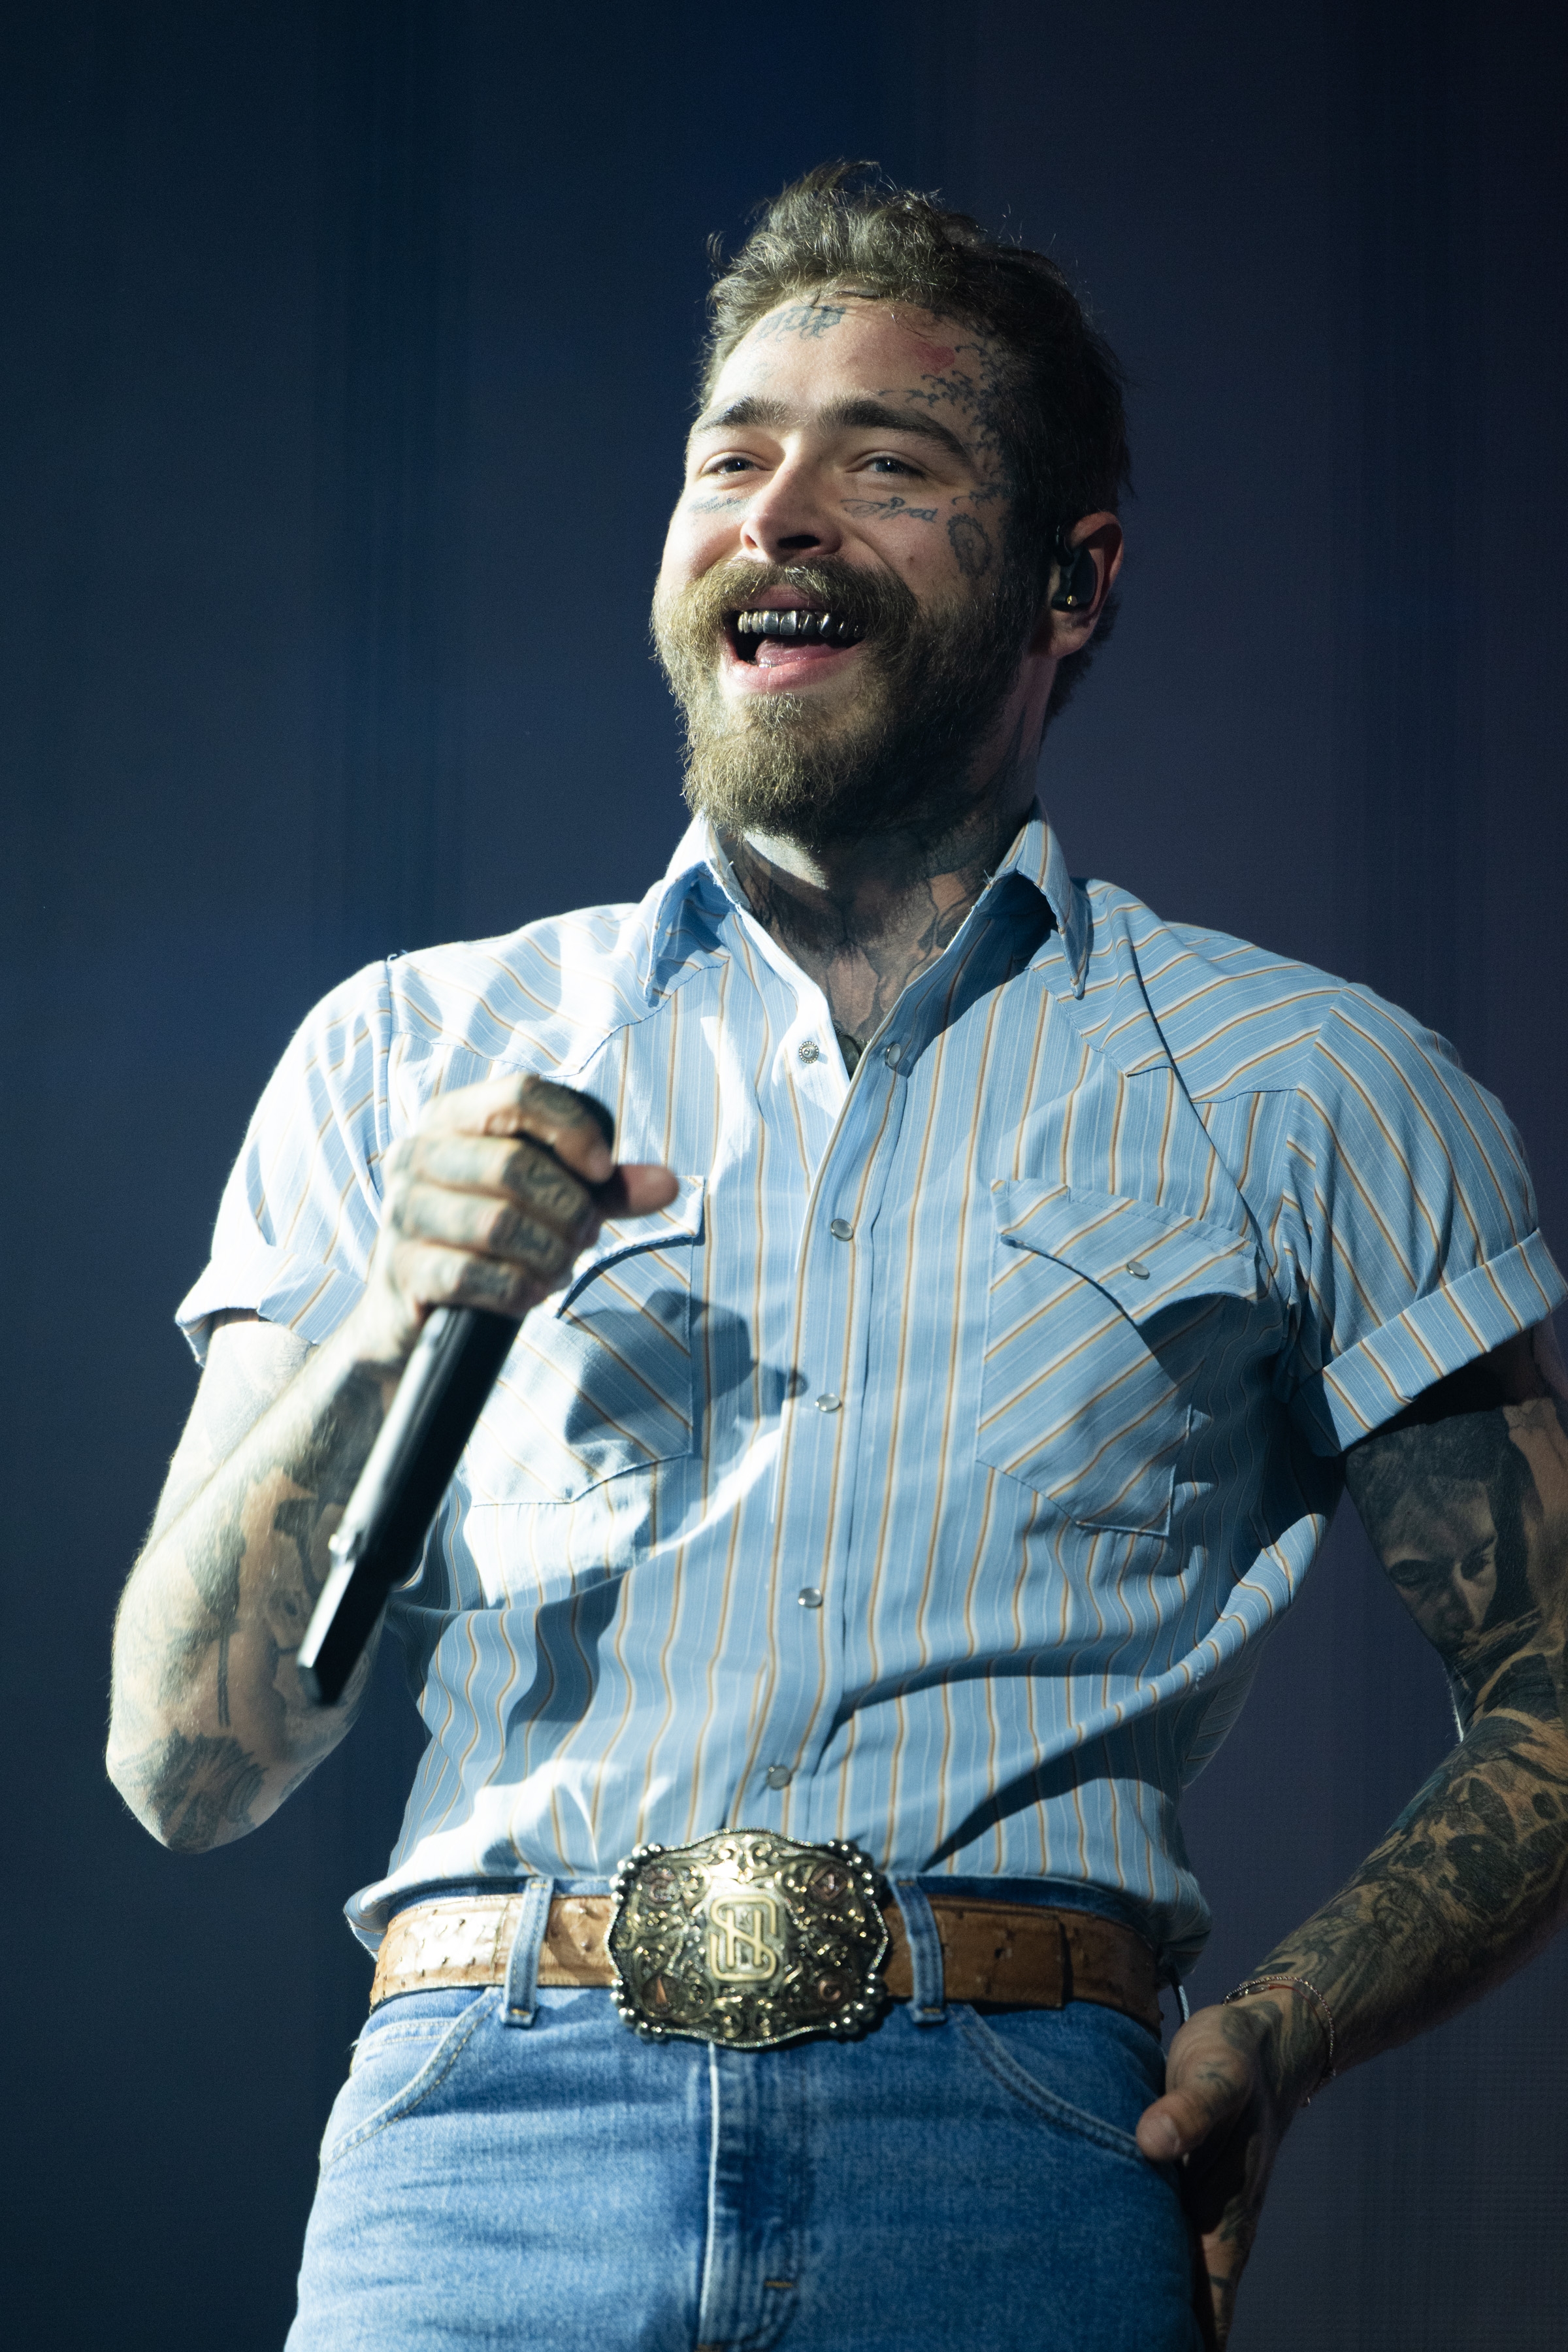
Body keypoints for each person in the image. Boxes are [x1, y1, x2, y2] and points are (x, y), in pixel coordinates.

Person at [107, 164, 1568, 2351]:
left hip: (1012, 2140)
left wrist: (1284, 2029)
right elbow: (183, 1769)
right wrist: (390, 1319)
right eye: (732, 455)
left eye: (886, 462)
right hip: (480, 2147)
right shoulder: (413, 1048)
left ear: (1071, 581)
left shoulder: (1313, 1088)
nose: (780, 513)